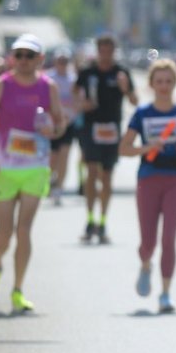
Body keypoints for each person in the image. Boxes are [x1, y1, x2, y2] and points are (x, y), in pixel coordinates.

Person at [0, 33, 67, 313]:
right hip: (5, 169)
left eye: (30, 55)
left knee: (24, 230)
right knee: (4, 234)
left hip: (35, 169)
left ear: (40, 59)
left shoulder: (47, 87)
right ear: (13, 58)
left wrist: (54, 130)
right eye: (19, 55)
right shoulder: (0, 86)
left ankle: (17, 290)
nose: (24, 61)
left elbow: (61, 123)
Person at [119, 58, 176, 314]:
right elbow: (124, 148)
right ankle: (145, 264)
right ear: (151, 84)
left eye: (168, 81)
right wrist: (147, 148)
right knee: (149, 241)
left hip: (175, 178)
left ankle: (165, 293)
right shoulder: (142, 114)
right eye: (159, 81)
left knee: (169, 239)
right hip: (148, 178)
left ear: (175, 83)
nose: (164, 86)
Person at [75, 34, 137, 244]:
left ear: (114, 51)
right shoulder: (88, 72)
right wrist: (82, 105)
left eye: (109, 51)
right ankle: (89, 219)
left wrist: (125, 88)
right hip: (91, 128)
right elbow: (74, 94)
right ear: (98, 50)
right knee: (91, 173)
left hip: (112, 129)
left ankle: (103, 221)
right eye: (102, 50)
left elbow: (135, 100)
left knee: (107, 177)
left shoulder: (121, 72)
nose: (105, 55)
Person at [46, 47, 79, 204]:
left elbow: (78, 100)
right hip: (52, 123)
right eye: (60, 62)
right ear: (55, 62)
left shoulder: (73, 80)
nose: (62, 64)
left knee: (65, 155)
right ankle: (50, 179)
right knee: (53, 157)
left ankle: (59, 188)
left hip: (69, 123)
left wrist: (73, 113)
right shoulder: (49, 79)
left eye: (65, 62)